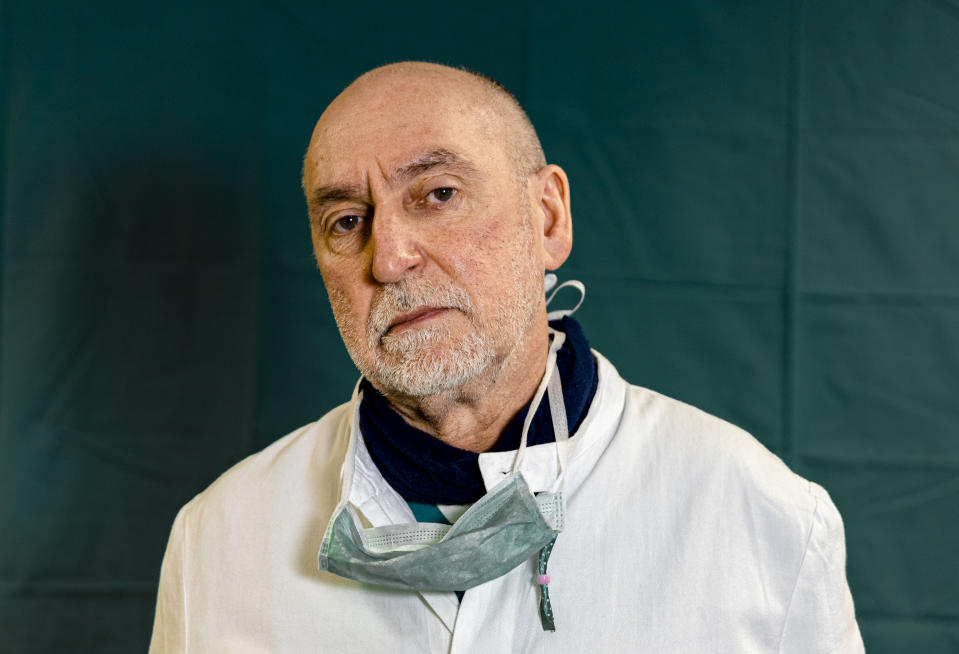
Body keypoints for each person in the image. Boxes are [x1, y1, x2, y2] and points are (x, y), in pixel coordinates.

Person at [150, 61, 864, 652]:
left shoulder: (762, 517)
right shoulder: (220, 537)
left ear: (547, 217)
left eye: (437, 193)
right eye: (347, 220)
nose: (390, 257)